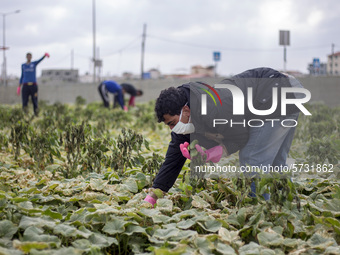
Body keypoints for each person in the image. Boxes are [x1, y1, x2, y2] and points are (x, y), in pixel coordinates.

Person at [144, 67, 307, 206]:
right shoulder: (187, 111)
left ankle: (261, 212)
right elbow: (173, 160)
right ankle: (288, 205)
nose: (173, 128)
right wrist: (153, 196)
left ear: (185, 110)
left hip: (276, 94)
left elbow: (241, 136)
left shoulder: (211, 108)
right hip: (283, 90)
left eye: (172, 123)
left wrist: (218, 150)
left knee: (252, 159)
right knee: (275, 163)